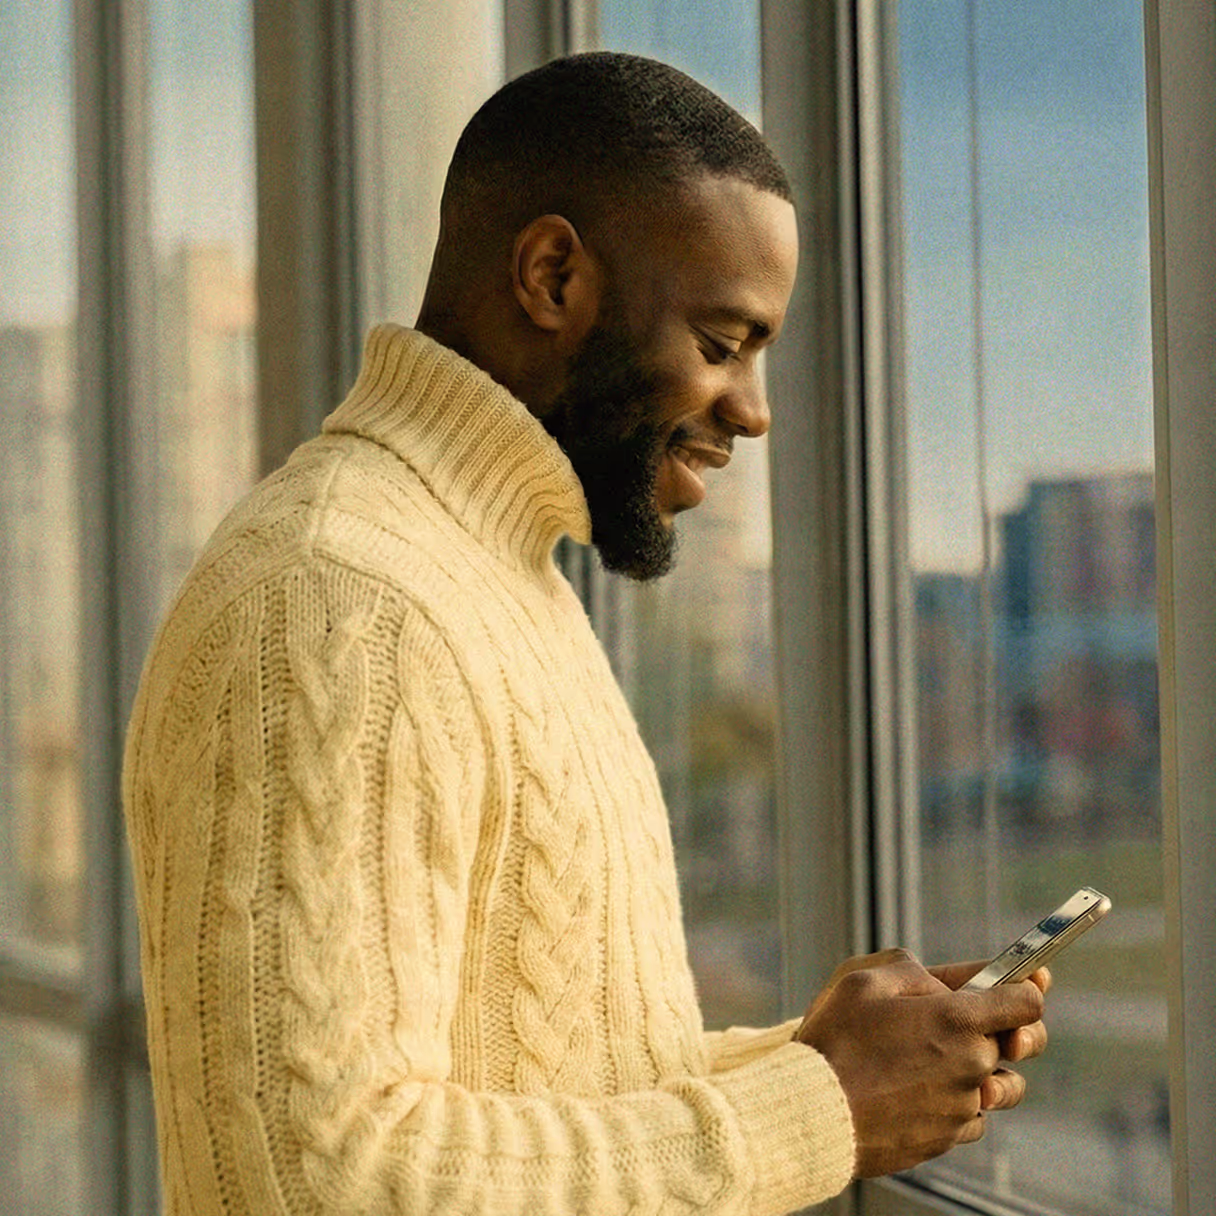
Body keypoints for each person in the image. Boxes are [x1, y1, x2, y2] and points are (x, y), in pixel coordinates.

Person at [123, 51, 1048, 1215]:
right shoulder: (335, 599)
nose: (752, 411)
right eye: (721, 343)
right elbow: (316, 1176)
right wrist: (817, 1107)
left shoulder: (493, 578)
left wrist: (822, 1065)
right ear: (553, 275)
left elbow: (537, 1075)